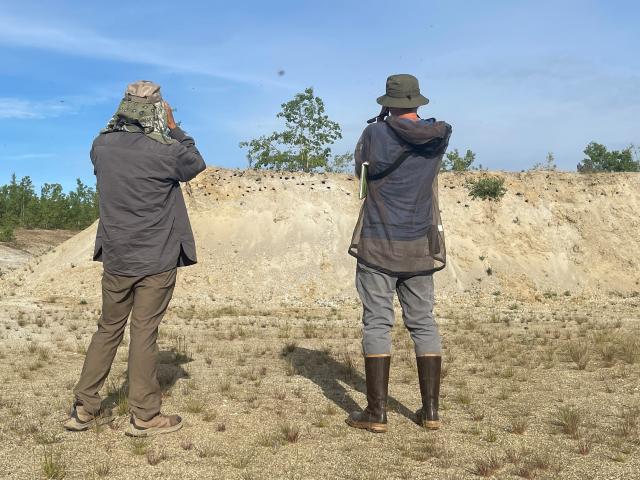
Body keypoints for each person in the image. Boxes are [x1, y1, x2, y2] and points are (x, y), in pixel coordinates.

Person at [64, 81, 206, 436]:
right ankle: (145, 415)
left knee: (107, 329)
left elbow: (111, 137)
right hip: (156, 258)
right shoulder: (166, 151)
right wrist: (174, 127)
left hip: (116, 255)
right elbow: (196, 163)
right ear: (158, 111)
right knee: (144, 333)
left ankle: (84, 408)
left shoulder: (101, 147)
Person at [346, 74, 452, 433]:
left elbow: (361, 170)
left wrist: (380, 126)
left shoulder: (374, 135)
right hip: (420, 244)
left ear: (387, 102)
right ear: (418, 102)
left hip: (377, 242)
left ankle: (376, 414)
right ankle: (431, 411)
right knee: (423, 322)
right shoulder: (439, 134)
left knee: (377, 322)